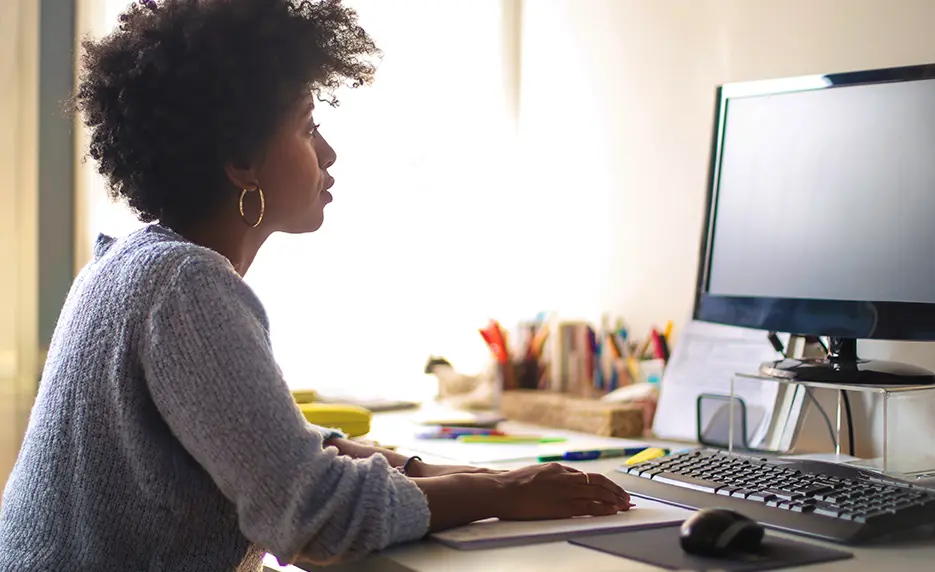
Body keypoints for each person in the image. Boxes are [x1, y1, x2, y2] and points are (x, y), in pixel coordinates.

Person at [0, 1, 631, 570]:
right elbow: (314, 515)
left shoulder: (131, 265)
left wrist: (419, 467)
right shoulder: (184, 286)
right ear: (242, 162)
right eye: (306, 128)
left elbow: (267, 444)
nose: (328, 154)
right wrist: (501, 492)